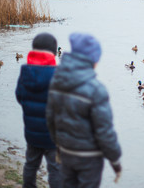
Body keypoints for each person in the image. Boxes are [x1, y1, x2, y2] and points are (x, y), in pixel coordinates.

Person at [46, 32, 122, 188]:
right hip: (89, 158)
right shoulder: (96, 90)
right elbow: (104, 131)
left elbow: (50, 118)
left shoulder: (56, 81)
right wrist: (115, 160)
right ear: (92, 60)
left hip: (66, 153)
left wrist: (59, 145)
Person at [15, 32, 60, 188]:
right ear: (53, 53)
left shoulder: (25, 72)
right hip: (53, 136)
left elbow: (19, 97)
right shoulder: (58, 75)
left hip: (32, 132)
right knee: (55, 169)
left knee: (31, 164)